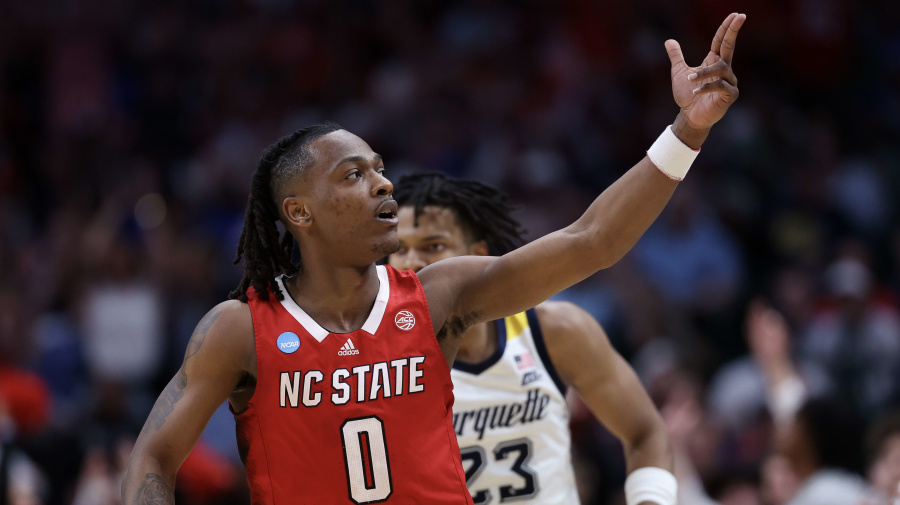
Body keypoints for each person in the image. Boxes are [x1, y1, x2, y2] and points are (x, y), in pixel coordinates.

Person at [122, 12, 746, 505]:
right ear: (299, 213)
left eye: (381, 170)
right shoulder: (239, 329)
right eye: (353, 175)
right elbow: (153, 456)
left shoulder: (439, 296)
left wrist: (686, 132)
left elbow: (593, 241)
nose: (385, 185)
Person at [387, 172, 671, 504]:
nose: (411, 263)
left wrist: (650, 499)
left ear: (477, 254)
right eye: (398, 249)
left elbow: (645, 430)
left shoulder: (555, 331)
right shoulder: (382, 361)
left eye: (433, 245)